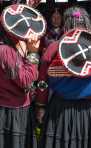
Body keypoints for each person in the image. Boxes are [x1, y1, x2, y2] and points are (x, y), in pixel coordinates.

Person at [36, 6, 91, 148]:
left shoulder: (54, 48)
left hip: (61, 113)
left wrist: (41, 106)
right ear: (87, 22)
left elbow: (43, 82)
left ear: (66, 23)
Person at [0, 17, 40, 148]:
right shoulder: (5, 50)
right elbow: (25, 80)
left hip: (15, 109)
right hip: (12, 113)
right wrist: (33, 53)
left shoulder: (11, 46)